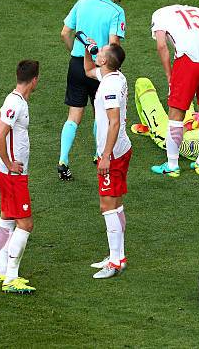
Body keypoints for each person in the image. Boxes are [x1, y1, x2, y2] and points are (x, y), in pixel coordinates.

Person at [57, 0, 128, 181]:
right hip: (101, 69)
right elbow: (114, 44)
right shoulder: (117, 11)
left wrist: (75, 52)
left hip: (77, 64)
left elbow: (64, 33)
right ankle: (99, 155)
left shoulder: (83, 2)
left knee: (74, 114)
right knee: (102, 112)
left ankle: (63, 160)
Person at [149, 4, 199, 177]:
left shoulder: (159, 14)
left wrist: (170, 75)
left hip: (187, 62)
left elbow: (161, 46)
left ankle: (172, 165)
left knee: (176, 114)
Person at [82, 39, 131, 279]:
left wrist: (105, 157)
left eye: (100, 51)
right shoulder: (114, 76)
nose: (97, 50)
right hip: (121, 149)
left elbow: (114, 121)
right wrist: (86, 50)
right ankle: (118, 255)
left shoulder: (110, 87)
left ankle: (113, 262)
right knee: (116, 203)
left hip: (112, 153)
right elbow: (88, 71)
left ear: (105, 61)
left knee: (107, 205)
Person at [0, 60, 40, 294]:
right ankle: (11, 277)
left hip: (6, 171)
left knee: (8, 217)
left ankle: (1, 269)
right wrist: (11, 163)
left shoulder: (12, 99)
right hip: (13, 174)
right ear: (34, 80)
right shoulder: (17, 103)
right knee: (26, 224)